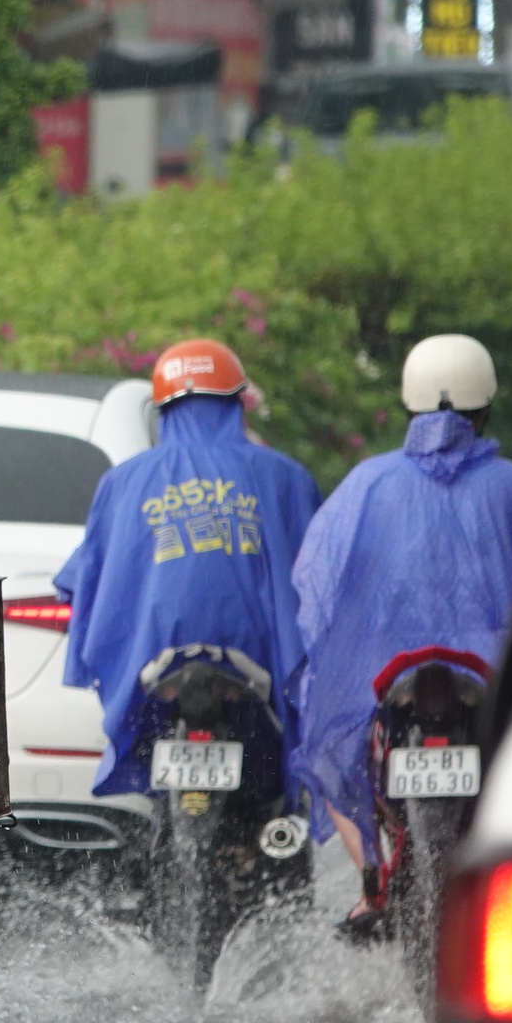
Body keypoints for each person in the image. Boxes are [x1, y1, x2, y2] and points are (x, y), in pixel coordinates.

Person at [292, 334, 512, 922]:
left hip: (386, 684)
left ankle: (370, 884)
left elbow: (320, 589)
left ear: (408, 403)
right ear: (487, 407)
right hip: (490, 686)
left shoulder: (366, 485)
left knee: (332, 739)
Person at [55, 340, 320, 798]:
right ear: (237, 403)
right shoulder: (283, 476)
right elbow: (318, 577)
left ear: (163, 408)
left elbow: (85, 578)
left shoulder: (123, 483)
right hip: (257, 660)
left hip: (154, 658)